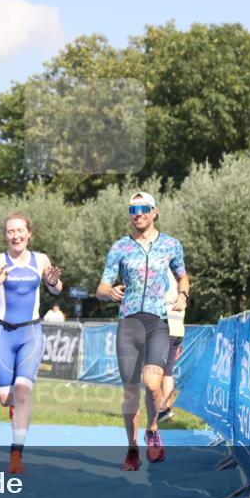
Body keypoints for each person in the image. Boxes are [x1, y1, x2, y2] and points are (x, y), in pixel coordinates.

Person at [96, 192, 189, 471]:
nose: (138, 213)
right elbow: (101, 287)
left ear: (154, 212)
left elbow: (182, 275)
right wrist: (108, 292)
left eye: (143, 209)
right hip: (128, 324)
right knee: (130, 393)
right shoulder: (120, 248)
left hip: (157, 322)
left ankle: (151, 429)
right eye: (133, 209)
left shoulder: (172, 245)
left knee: (152, 384)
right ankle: (132, 449)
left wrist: (183, 293)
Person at [0, 213, 62, 474]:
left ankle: (16, 454)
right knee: (5, 398)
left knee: (23, 391)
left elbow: (57, 289)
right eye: (10, 231)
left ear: (29, 233)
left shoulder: (41, 259)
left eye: (20, 230)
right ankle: (14, 407)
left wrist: (53, 281)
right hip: (2, 333)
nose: (16, 235)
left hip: (30, 333)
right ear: (5, 235)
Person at [158, 269, 186, 423]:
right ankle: (167, 410)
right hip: (177, 328)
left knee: (155, 371)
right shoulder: (176, 277)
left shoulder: (159, 271)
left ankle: (161, 409)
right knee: (167, 372)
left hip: (165, 327)